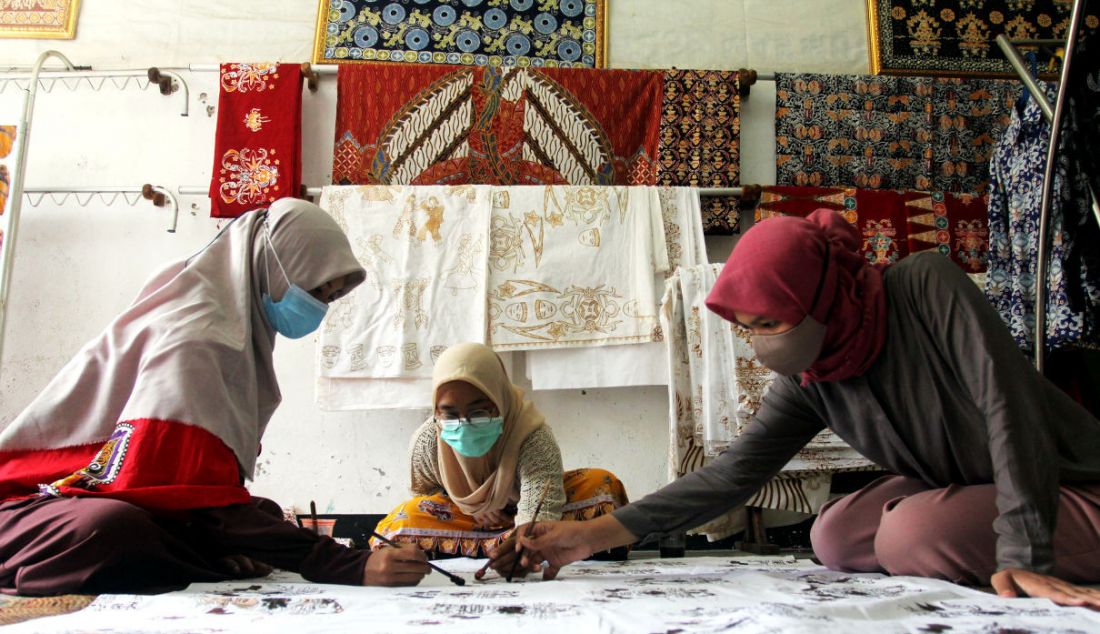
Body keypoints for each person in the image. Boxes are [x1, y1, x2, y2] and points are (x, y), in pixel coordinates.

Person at [520, 209, 1100, 608]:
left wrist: (1027, 552)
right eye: (748, 329)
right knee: (836, 537)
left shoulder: (925, 286)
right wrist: (591, 536)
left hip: (1068, 486)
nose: (762, 344)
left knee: (908, 535)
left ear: (819, 295)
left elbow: (1008, 406)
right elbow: (734, 473)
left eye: (769, 322)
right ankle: (950, 531)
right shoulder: (814, 374)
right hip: (969, 484)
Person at [0, 198, 432, 595]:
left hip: (124, 499)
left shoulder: (230, 327)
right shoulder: (198, 336)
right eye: (315, 290)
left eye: (330, 296)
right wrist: (347, 564)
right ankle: (206, 559)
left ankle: (207, 557)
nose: (319, 306)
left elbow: (194, 494)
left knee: (257, 513)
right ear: (275, 266)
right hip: (28, 506)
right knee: (113, 528)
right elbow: (203, 504)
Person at [371, 342, 629, 578]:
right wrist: (471, 507)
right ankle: (499, 547)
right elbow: (427, 496)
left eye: (480, 411)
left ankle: (493, 550)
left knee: (601, 485)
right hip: (467, 520)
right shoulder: (427, 441)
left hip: (528, 516)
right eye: (450, 413)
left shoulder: (531, 435)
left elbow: (539, 511)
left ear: (500, 398)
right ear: (436, 409)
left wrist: (524, 544)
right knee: (403, 519)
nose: (464, 424)